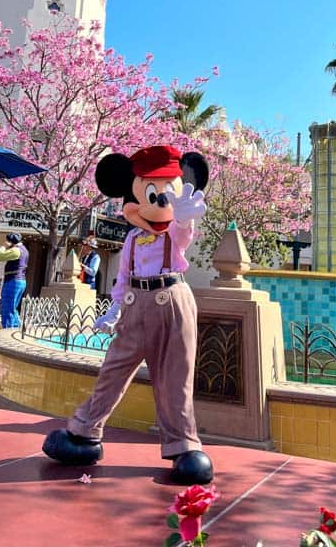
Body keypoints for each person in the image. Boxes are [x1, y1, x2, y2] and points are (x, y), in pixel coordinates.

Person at [43, 144, 213, 485]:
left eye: (166, 194)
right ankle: (85, 433)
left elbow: (182, 235)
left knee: (174, 378)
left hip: (172, 302)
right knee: (113, 370)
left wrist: (182, 217)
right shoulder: (133, 239)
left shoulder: (174, 236)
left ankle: (183, 446)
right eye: (151, 194)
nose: (158, 204)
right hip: (136, 303)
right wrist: (114, 309)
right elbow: (123, 278)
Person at [0, 233, 28, 328]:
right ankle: (17, 328)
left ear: (11, 242)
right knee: (12, 308)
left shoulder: (16, 250)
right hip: (20, 280)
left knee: (7, 307)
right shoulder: (24, 250)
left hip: (13, 281)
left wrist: (4, 247)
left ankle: (7, 331)